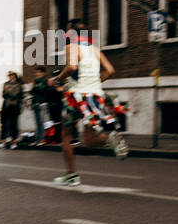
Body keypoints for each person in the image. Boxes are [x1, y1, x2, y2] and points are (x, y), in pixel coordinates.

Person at [51, 20, 127, 185]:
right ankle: (109, 139)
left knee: (66, 135)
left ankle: (71, 175)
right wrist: (95, 83)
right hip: (95, 96)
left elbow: (71, 67)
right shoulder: (94, 49)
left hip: (76, 98)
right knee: (90, 140)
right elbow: (110, 70)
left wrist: (57, 80)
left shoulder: (72, 47)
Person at [0, 71, 23, 149]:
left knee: (13, 124)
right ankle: (3, 141)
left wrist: (8, 91)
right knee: (4, 124)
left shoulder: (18, 85)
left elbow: (15, 95)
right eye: (9, 75)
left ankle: (13, 142)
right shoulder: (5, 84)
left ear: (15, 76)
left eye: (11, 75)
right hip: (6, 106)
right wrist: (6, 92)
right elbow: (3, 95)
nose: (10, 77)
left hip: (14, 106)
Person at [29, 66, 52, 145]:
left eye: (38, 72)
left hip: (42, 103)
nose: (36, 74)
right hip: (35, 103)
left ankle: (42, 140)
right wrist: (33, 88)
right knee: (37, 122)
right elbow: (31, 92)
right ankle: (37, 140)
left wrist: (35, 88)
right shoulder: (35, 81)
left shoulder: (46, 81)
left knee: (42, 122)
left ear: (43, 73)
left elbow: (45, 92)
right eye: (36, 72)